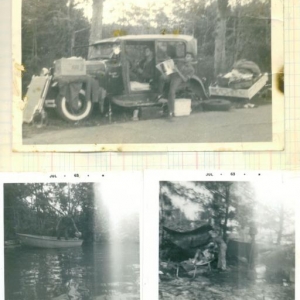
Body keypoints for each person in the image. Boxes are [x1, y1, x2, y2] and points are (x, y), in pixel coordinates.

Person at [166, 52, 195, 118]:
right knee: (161, 78)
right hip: (172, 76)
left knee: (172, 92)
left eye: (188, 56)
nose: (186, 58)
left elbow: (185, 79)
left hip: (179, 79)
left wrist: (177, 71)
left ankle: (171, 111)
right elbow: (172, 68)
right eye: (185, 56)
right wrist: (169, 62)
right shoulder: (180, 63)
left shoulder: (191, 69)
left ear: (191, 59)